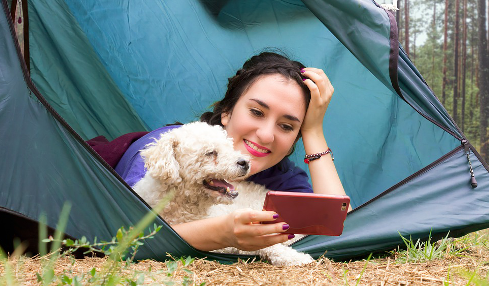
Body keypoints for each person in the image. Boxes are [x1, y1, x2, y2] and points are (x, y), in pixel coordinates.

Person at [115, 51, 347, 252]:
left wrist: (314, 131)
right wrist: (222, 233)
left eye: (287, 126)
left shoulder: (282, 178)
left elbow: (341, 231)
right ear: (226, 111)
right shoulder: (173, 149)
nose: (267, 135)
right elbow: (123, 233)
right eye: (257, 112)